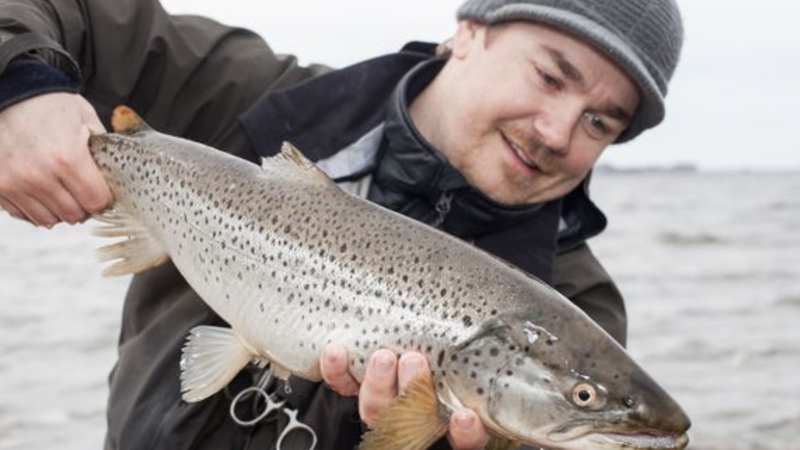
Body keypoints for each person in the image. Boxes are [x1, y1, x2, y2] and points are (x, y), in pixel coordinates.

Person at [0, 0, 684, 449]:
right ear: (470, 32)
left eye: (602, 121)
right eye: (550, 76)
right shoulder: (248, 97)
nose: (559, 133)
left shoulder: (580, 308)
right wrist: (20, 88)